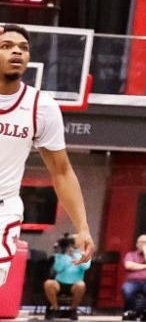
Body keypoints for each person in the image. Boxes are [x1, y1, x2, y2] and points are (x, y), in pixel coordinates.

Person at [0, 28, 93, 290]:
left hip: (3, 210)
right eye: (6, 45)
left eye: (23, 47)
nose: (17, 51)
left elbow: (61, 172)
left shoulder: (43, 107)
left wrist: (82, 228)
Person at [46, 235, 91, 319]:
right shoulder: (62, 253)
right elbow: (58, 268)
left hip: (75, 284)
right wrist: (60, 254)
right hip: (60, 283)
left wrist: (74, 254)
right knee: (48, 283)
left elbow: (85, 267)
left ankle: (72, 310)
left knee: (81, 285)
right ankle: (55, 308)